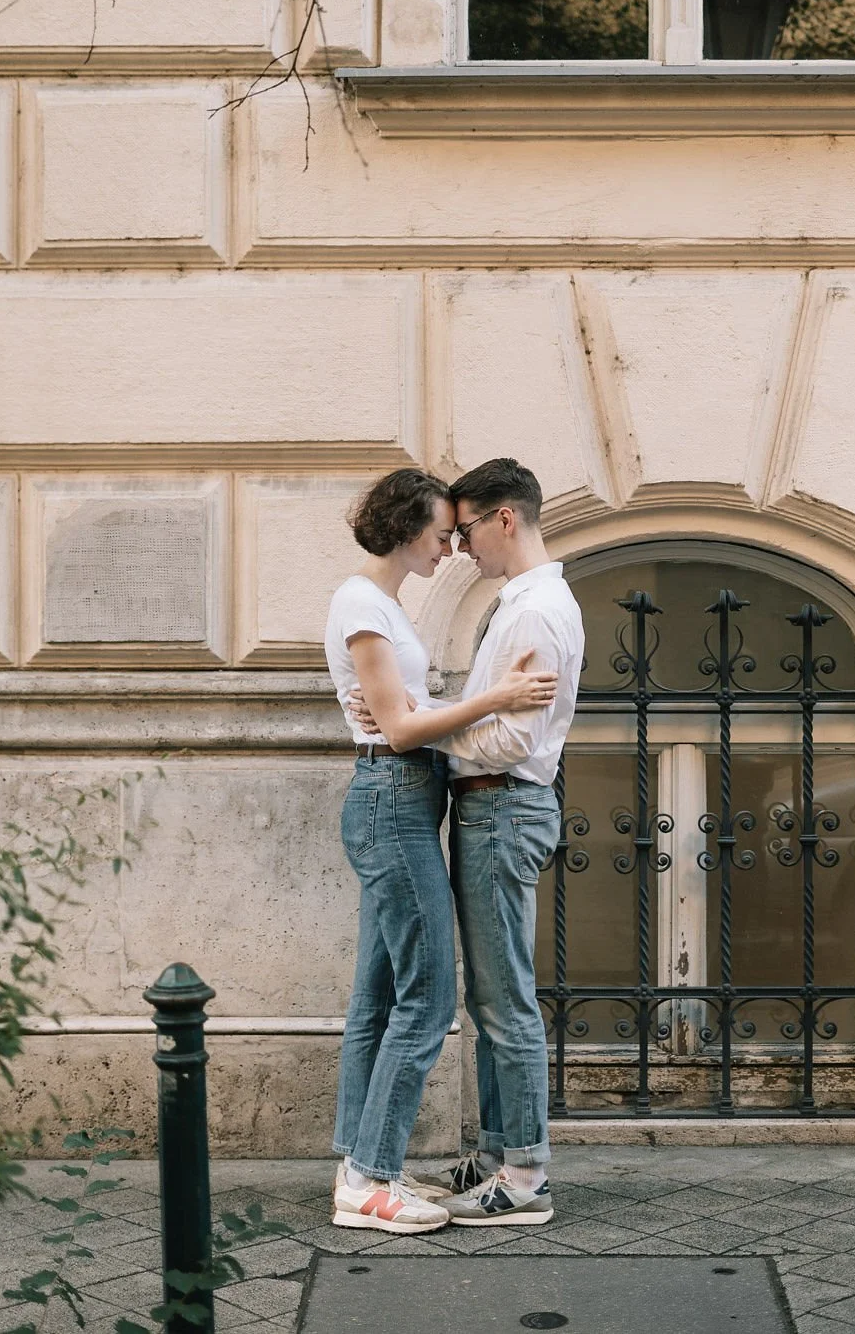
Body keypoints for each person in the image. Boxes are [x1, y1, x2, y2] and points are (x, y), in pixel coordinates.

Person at [325, 467, 559, 1236]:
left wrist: (421, 709)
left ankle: (360, 1160)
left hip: (403, 795)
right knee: (425, 994)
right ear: (405, 529)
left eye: (458, 531)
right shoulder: (364, 604)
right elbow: (395, 731)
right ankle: (369, 1179)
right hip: (394, 796)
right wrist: (490, 699)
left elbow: (402, 714)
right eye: (438, 531)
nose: (449, 546)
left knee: (383, 993)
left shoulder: (382, 605)